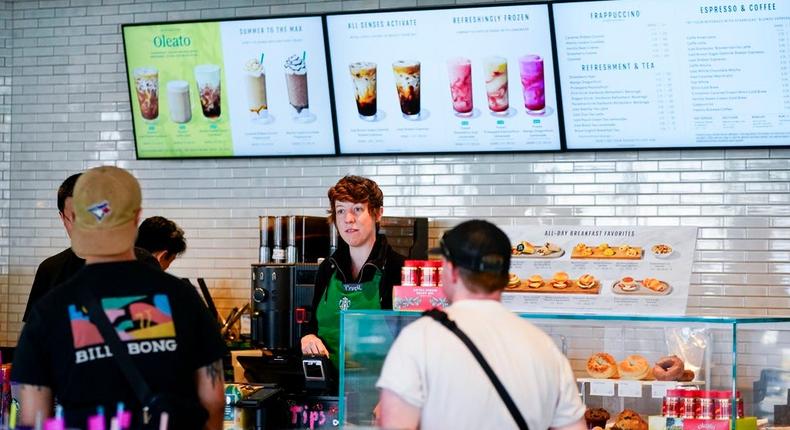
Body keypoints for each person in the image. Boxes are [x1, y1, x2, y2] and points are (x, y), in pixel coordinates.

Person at [12, 166, 226, 429]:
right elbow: (213, 400)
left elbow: (33, 415)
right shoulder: (183, 297)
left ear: (75, 219)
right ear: (136, 218)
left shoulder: (49, 310)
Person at [376, 220, 586, 430]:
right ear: (505, 276)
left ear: (452, 271)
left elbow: (395, 424)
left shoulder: (418, 339)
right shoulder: (544, 347)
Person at [301, 175, 406, 369]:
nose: (348, 219)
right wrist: (308, 337)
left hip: (379, 388)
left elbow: (410, 339)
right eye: (340, 211)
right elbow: (312, 324)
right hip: (329, 387)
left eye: (357, 209)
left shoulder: (399, 269)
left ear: (378, 213)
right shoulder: (328, 268)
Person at [23, 173, 159, 322]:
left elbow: (157, 328)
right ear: (63, 218)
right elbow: (32, 334)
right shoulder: (50, 270)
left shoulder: (142, 263)